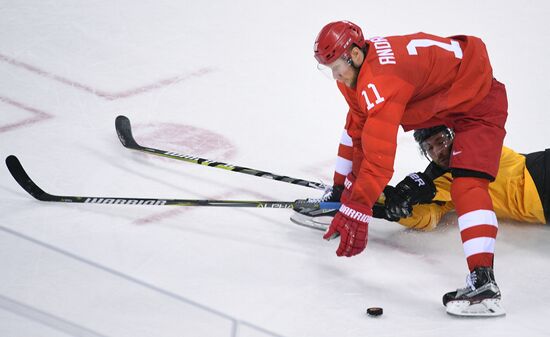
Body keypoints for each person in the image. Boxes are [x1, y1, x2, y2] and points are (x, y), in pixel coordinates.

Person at [312, 20, 508, 316]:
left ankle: (483, 284)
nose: (336, 75)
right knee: (355, 124)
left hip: (478, 101)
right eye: (329, 69)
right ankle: (337, 192)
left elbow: (379, 161)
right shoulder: (358, 72)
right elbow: (359, 131)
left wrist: (359, 207)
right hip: (445, 95)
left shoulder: (380, 80)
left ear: (353, 54)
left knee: (467, 184)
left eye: (337, 66)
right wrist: (349, 192)